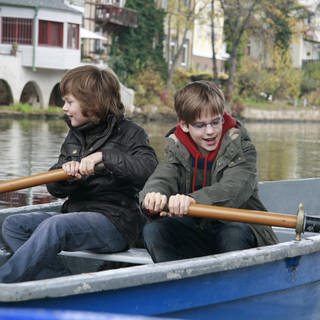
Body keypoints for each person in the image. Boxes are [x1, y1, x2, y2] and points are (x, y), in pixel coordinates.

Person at [0, 65, 158, 283]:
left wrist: (105, 157)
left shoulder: (131, 133)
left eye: (69, 102)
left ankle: (4, 282)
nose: (64, 107)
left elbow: (149, 169)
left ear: (92, 104)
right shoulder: (75, 136)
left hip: (116, 222)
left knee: (55, 225)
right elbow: (54, 188)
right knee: (13, 225)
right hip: (75, 214)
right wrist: (67, 178)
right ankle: (61, 281)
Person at [140, 80, 278, 263]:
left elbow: (233, 189)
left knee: (232, 233)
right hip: (199, 230)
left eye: (215, 122)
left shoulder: (243, 148)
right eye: (200, 125)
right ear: (184, 125)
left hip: (244, 229)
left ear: (222, 117)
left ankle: (232, 288)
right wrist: (152, 196)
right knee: (154, 230)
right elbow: (163, 177)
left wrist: (192, 200)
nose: (210, 131)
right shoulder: (176, 149)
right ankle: (177, 285)